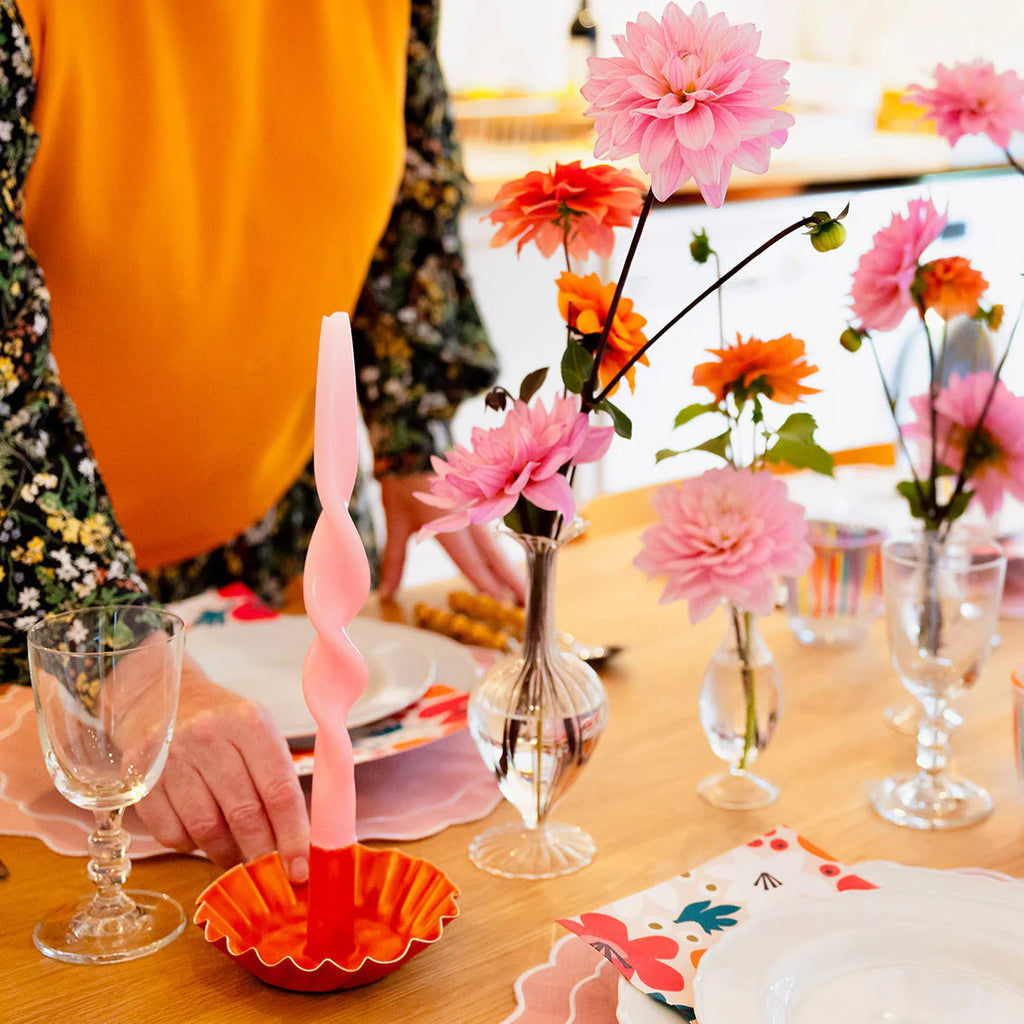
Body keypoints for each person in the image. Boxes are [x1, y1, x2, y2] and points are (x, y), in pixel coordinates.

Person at [0, 0, 522, 883]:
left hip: (267, 537)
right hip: (34, 590)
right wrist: (112, 648)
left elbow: (413, 203)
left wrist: (410, 431)